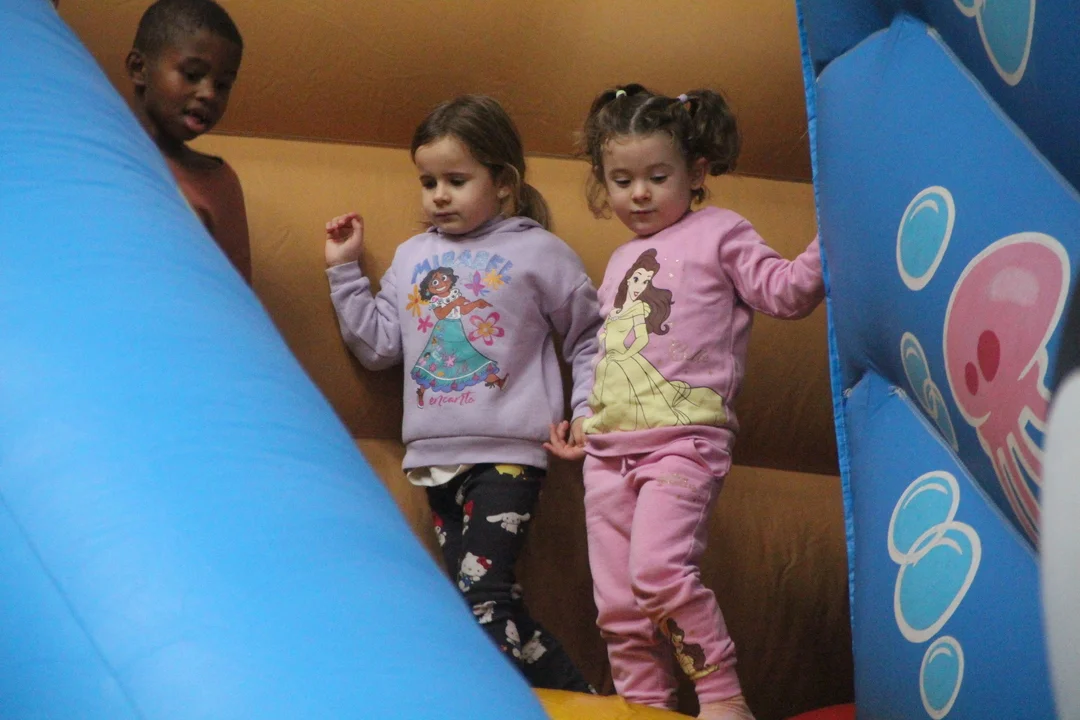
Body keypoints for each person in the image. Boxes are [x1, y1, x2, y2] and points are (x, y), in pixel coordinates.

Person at [547, 84, 825, 720]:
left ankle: (723, 697)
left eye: (657, 177)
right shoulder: (620, 258)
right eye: (621, 180)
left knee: (658, 574)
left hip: (682, 443)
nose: (639, 194)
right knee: (619, 606)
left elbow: (785, 292)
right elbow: (610, 352)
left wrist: (833, 236)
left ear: (696, 173)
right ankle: (645, 708)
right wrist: (586, 417)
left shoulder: (720, 232)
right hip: (608, 454)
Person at [324, 95, 600, 693]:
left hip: (508, 459)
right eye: (428, 182)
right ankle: (582, 701)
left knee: (484, 599)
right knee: (486, 604)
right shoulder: (411, 256)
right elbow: (378, 347)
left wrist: (586, 410)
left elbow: (590, 335)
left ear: (503, 183)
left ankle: (516, 703)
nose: (438, 196)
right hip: (433, 462)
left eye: (456, 180)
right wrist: (345, 271)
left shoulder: (540, 252)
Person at [126, 0, 252, 283]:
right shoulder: (96, 152)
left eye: (223, 85)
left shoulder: (218, 183)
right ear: (139, 68)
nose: (209, 94)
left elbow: (236, 293)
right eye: (192, 75)